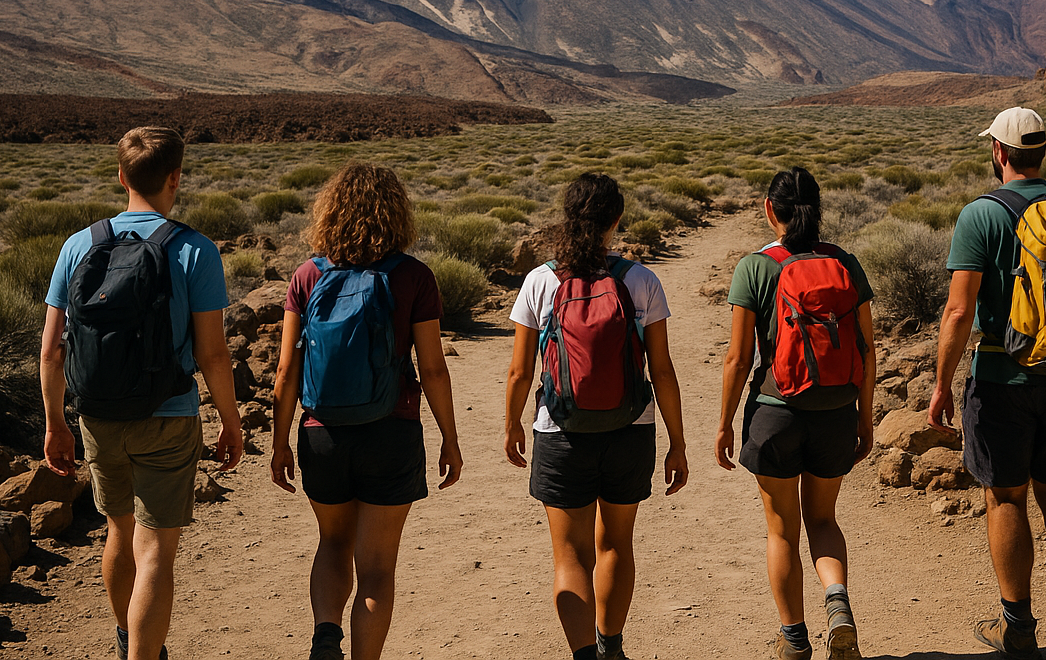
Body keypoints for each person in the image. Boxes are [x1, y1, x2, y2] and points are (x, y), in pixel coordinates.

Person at [927, 107, 1046, 660]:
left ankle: (1017, 628)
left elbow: (958, 312)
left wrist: (941, 384)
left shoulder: (981, 216)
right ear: (1040, 152)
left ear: (999, 152)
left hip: (1002, 380)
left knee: (1006, 496)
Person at [40, 126, 245, 660]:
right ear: (175, 178)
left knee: (118, 529)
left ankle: (127, 639)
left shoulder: (79, 245)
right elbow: (213, 354)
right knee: (154, 550)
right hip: (169, 416)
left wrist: (56, 423)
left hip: (98, 416)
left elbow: (53, 350)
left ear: (121, 176)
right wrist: (231, 421)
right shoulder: (195, 250)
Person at [269, 163, 463, 660]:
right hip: (391, 432)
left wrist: (279, 443)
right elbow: (433, 369)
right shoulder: (413, 276)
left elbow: (286, 371)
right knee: (376, 567)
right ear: (397, 213)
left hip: (322, 433)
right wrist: (450, 438)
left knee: (332, 542)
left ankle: (325, 637)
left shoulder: (308, 274)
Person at [503, 173, 689, 660]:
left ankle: (585, 655)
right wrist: (677, 442)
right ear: (617, 220)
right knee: (616, 545)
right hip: (631, 430)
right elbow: (662, 370)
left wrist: (512, 423)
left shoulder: (540, 280)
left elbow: (520, 371)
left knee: (570, 557)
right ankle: (612, 648)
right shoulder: (641, 280)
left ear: (568, 217)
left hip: (560, 432)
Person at [716, 167, 876, 660]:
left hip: (775, 413)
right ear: (818, 209)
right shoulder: (844, 263)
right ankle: (837, 602)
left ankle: (794, 640)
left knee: (782, 529)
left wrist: (724, 424)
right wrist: (864, 418)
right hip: (835, 411)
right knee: (823, 520)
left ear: (771, 210)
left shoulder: (755, 267)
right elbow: (867, 350)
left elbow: (738, 359)